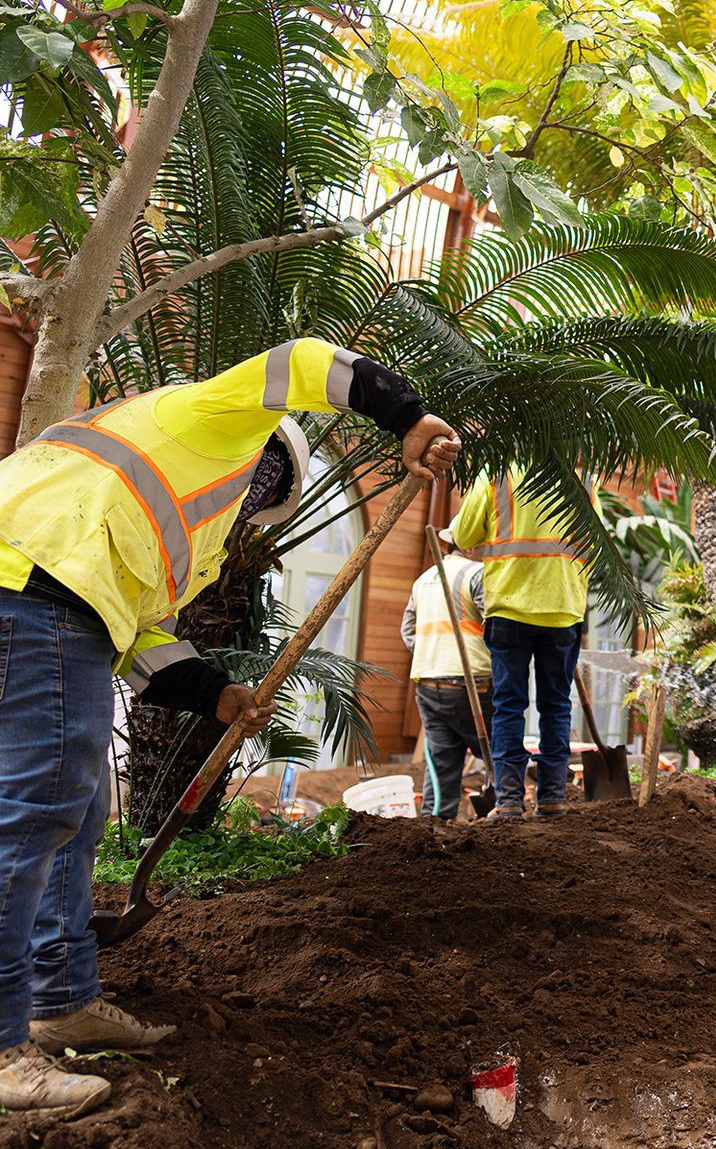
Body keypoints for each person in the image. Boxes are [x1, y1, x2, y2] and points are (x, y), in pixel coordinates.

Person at [0, 339, 459, 1112]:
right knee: (31, 818)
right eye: (268, 488)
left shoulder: (173, 521)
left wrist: (217, 696)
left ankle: (61, 997)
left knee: (69, 818)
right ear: (271, 457)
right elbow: (308, 360)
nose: (254, 501)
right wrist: (405, 416)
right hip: (37, 589)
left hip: (57, 603)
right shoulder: (211, 420)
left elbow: (141, 634)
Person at [452, 468, 597, 820]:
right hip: (562, 610)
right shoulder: (583, 480)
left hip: (509, 609)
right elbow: (595, 546)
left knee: (509, 705)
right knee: (556, 706)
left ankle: (510, 801)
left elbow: (462, 535)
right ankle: (551, 799)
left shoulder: (496, 474)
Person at [401, 529, 491, 819]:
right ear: (471, 544)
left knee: (441, 763)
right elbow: (496, 627)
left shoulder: (423, 580)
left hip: (429, 684)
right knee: (498, 753)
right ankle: (504, 815)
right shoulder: (477, 574)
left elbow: (408, 632)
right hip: (474, 684)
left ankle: (434, 825)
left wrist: (434, 652)